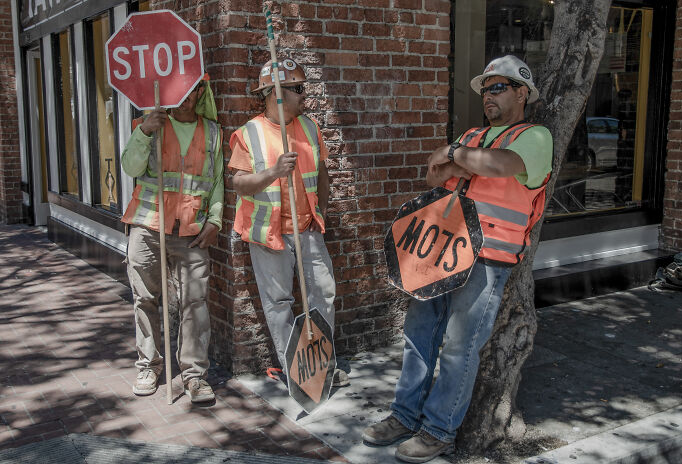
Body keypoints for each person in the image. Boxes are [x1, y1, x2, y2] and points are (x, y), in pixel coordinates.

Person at [362, 55, 553, 463]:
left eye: (498, 87)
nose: (488, 96)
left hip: (488, 259)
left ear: (522, 93)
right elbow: (434, 175)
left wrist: (456, 155)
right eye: (485, 89)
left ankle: (438, 431)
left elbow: (502, 167)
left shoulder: (535, 137)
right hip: (442, 251)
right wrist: (464, 159)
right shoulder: (474, 135)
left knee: (459, 348)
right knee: (419, 336)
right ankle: (404, 415)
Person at [228, 58, 348, 387]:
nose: (304, 95)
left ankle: (320, 366)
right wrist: (273, 172)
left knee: (323, 294)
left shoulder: (309, 127)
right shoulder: (248, 133)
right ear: (276, 94)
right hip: (269, 233)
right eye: (297, 89)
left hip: (307, 229)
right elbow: (238, 183)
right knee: (279, 303)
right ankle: (296, 371)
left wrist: (320, 211)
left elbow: (323, 174)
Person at [121, 75, 223, 403]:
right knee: (145, 298)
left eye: (193, 89)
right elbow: (130, 166)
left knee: (196, 301)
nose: (186, 97)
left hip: (192, 230)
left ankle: (194, 376)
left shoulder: (213, 132)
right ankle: (149, 365)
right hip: (148, 224)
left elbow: (218, 180)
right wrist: (144, 131)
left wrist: (216, 220)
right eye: (180, 89)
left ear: (200, 92)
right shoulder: (148, 124)